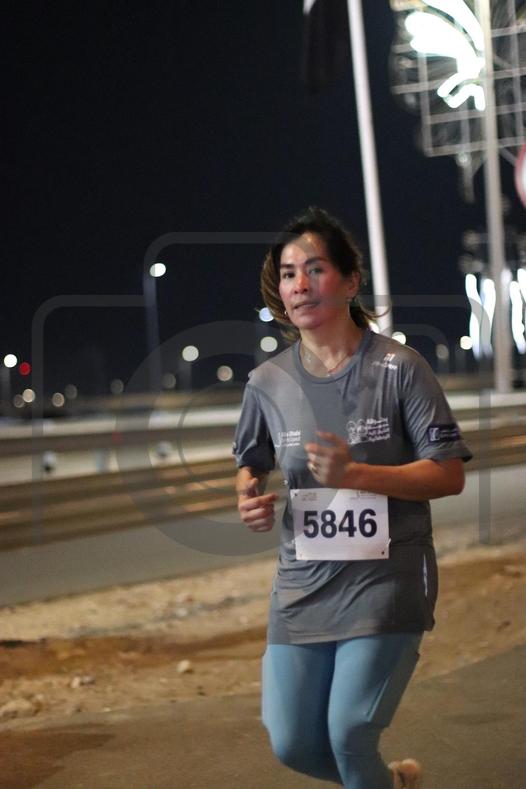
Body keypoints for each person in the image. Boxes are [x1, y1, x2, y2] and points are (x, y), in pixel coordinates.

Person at [233, 206, 472, 789]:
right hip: (302, 588)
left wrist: (356, 474)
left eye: (315, 269)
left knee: (349, 734)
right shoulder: (267, 382)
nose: (300, 284)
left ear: (350, 281)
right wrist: (248, 495)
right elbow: (250, 459)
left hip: (385, 581)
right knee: (292, 744)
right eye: (288, 274)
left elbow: (449, 475)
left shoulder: (400, 368)